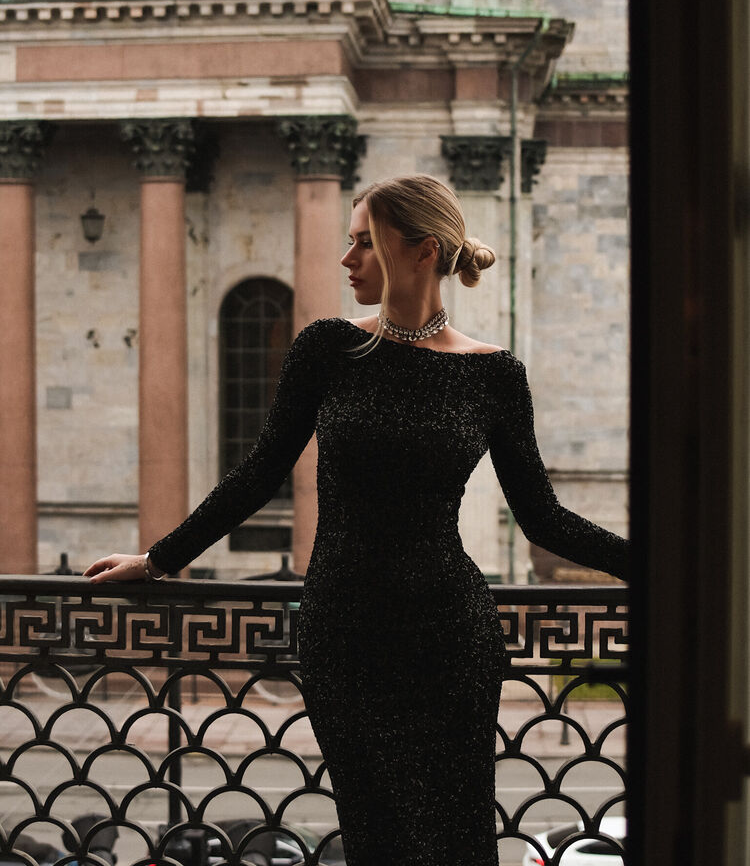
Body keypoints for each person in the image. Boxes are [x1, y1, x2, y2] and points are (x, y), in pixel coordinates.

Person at [85, 173, 629, 866]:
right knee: (377, 837)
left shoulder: (495, 374)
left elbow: (542, 517)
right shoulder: (328, 349)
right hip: (345, 634)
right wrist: (158, 560)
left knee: (458, 841)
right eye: (350, 242)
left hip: (449, 636)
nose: (347, 259)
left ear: (422, 250)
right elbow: (258, 474)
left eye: (365, 243)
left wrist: (653, 566)